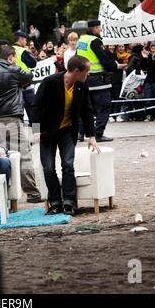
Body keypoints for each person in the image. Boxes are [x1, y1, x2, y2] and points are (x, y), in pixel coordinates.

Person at [32, 55, 100, 215]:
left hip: (68, 130)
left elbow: (86, 109)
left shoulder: (81, 84)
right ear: (77, 71)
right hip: (47, 132)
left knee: (68, 165)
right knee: (48, 167)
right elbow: (36, 106)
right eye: (87, 71)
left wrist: (91, 135)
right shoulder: (50, 82)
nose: (88, 75)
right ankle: (55, 202)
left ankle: (69, 202)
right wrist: (36, 131)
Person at [0, 45, 43, 203]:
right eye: (15, 58)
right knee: (24, 157)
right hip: (12, 120)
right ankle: (33, 194)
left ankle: (1, 197)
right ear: (11, 57)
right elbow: (29, 77)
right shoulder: (13, 69)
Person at [76, 20, 127, 142]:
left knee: (85, 107)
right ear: (94, 28)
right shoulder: (95, 41)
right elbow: (104, 61)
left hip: (84, 78)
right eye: (99, 28)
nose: (100, 30)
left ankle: (81, 133)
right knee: (103, 107)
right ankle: (98, 134)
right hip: (98, 80)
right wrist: (116, 67)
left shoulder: (82, 40)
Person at [13, 30, 38, 125]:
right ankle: (36, 135)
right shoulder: (22, 51)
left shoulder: (8, 50)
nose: (26, 42)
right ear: (21, 39)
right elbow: (33, 64)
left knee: (17, 116)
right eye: (25, 40)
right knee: (33, 114)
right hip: (25, 87)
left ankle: (21, 138)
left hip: (13, 89)